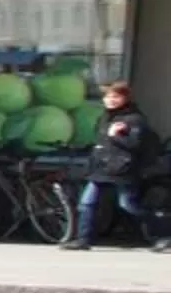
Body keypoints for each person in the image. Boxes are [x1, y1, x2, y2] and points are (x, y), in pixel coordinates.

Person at [65, 80, 169, 251]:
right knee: (87, 203)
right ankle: (83, 239)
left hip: (122, 170)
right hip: (101, 169)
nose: (111, 100)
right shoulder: (105, 117)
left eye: (116, 97)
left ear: (125, 98)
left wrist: (116, 136)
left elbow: (135, 144)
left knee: (128, 204)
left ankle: (161, 234)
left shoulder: (134, 119)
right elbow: (101, 142)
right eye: (108, 97)